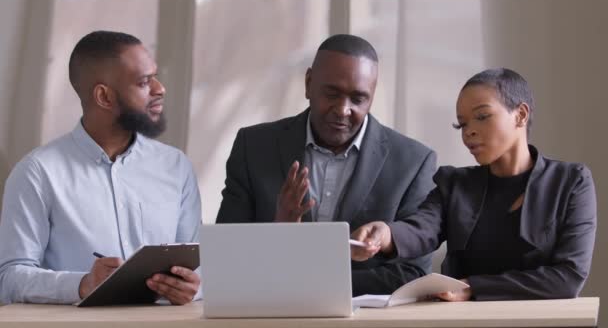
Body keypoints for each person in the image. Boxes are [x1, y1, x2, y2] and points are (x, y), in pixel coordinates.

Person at [216, 34, 437, 296]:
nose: (343, 110)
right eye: (332, 94)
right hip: (269, 316)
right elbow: (223, 257)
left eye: (358, 99)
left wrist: (313, 283)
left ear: (372, 96)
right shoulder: (252, 146)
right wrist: (279, 232)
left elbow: (415, 274)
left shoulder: (413, 162)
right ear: (309, 84)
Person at [351, 68, 597, 301]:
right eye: (463, 123)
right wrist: (386, 233)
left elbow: (569, 277)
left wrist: (473, 287)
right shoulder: (455, 184)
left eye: (482, 116)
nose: (469, 132)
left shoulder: (571, 181)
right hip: (470, 321)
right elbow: (421, 228)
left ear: (521, 115)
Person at [0, 31, 201, 305]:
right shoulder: (37, 173)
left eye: (154, 76)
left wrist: (193, 287)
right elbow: (9, 279)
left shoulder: (176, 167)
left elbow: (201, 269)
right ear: (104, 96)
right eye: (144, 82)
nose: (159, 88)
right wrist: (83, 284)